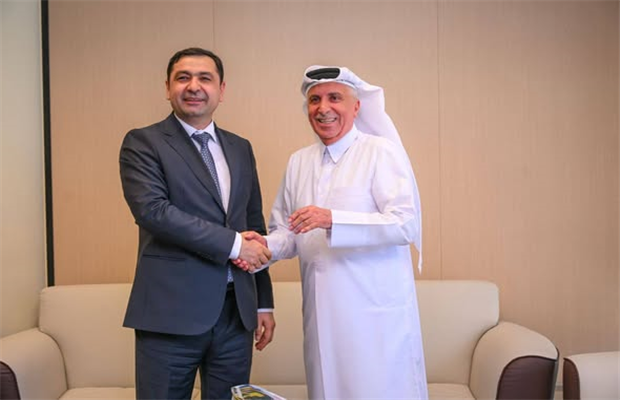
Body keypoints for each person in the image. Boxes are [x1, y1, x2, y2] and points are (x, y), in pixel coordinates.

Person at [240, 65, 428, 399]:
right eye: (315, 100)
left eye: (334, 98)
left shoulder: (380, 152)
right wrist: (261, 246)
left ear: (356, 107)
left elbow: (405, 224)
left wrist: (332, 219)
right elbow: (289, 231)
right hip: (321, 315)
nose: (323, 108)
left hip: (375, 316)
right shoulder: (299, 161)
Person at [119, 47, 275, 400]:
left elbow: (254, 226)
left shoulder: (240, 147)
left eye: (205, 78)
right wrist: (235, 245)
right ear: (167, 88)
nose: (194, 86)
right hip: (170, 313)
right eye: (183, 78)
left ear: (221, 90)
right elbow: (154, 212)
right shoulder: (143, 142)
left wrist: (263, 302)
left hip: (236, 314)